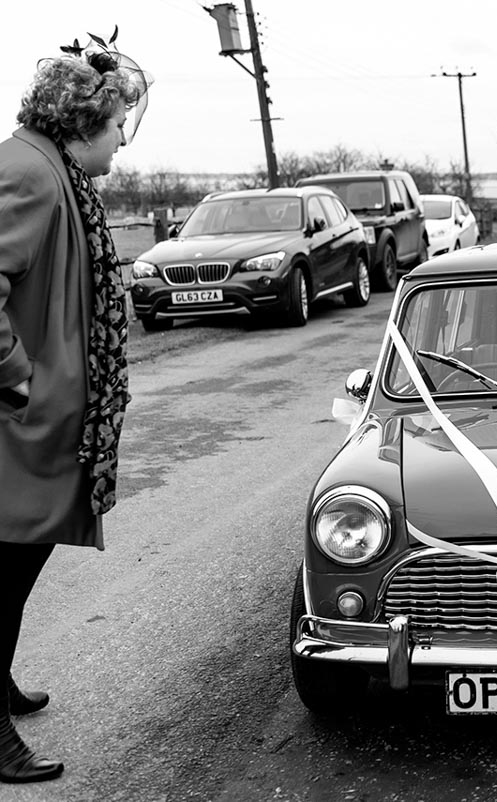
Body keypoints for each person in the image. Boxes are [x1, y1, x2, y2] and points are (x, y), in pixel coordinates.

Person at [0, 34, 150, 784]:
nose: (124, 140)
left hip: (38, 426)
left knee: (13, 574)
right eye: (119, 123)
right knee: (2, 575)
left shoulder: (50, 169)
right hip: (17, 428)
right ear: (84, 121)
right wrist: (18, 378)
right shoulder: (28, 173)